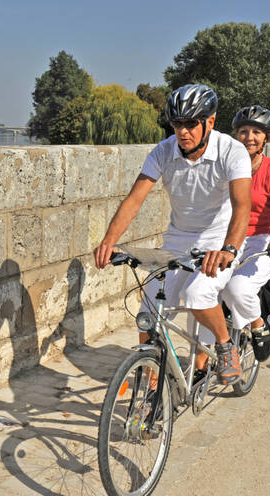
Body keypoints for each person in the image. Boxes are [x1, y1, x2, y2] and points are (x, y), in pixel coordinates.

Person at [94, 84, 252, 385]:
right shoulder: (163, 151)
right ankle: (151, 388)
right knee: (149, 309)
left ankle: (225, 345)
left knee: (197, 294)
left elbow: (242, 206)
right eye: (177, 124)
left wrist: (229, 249)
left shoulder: (232, 151)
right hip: (178, 239)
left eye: (191, 123)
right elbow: (134, 199)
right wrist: (109, 241)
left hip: (219, 239)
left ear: (210, 121)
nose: (183, 132)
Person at [222, 106, 270, 360]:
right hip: (229, 237)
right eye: (243, 131)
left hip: (261, 240)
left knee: (237, 288)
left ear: (266, 138)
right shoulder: (226, 165)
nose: (249, 137)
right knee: (205, 288)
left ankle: (258, 326)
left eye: (256, 132)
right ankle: (204, 361)